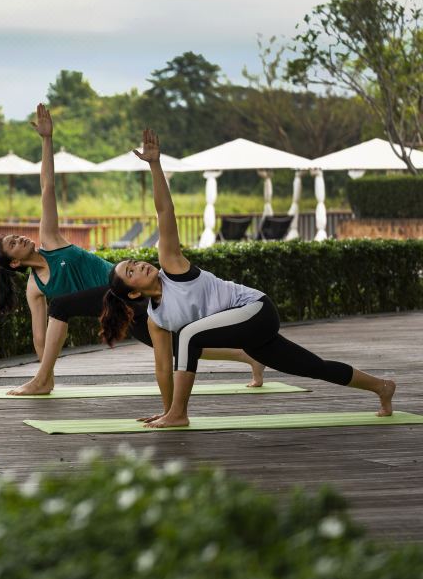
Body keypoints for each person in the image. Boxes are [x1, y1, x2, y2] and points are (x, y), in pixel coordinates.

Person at [100, 128, 396, 428]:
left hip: (255, 310)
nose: (139, 266)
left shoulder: (172, 267)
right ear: (134, 294)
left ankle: (180, 414)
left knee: (188, 335)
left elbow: (165, 211)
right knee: (312, 366)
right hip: (248, 335)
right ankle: (382, 386)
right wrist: (165, 411)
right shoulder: (156, 320)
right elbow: (163, 368)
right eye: (131, 271)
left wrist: (155, 165)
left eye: (135, 262)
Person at [0, 104, 264, 395]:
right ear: (14, 264)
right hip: (115, 305)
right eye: (12, 244)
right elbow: (40, 337)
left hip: (125, 287)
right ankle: (248, 356)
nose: (19, 239)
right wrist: (45, 367)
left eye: (16, 236)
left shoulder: (51, 240)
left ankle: (41, 382)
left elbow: (47, 187)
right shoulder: (35, 287)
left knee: (66, 308)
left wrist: (47, 141)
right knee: (171, 343)